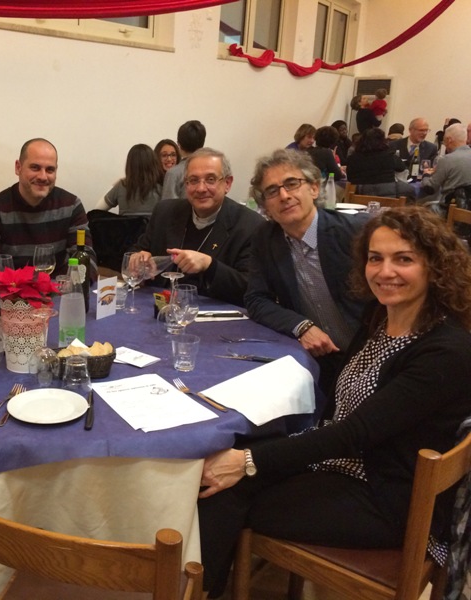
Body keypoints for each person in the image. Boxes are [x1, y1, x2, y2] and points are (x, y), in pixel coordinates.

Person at [198, 207, 471, 598]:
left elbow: (355, 432)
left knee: (225, 494)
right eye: (375, 258)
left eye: (403, 259)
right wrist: (252, 456)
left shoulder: (446, 352)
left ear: (435, 266)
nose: (385, 271)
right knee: (227, 459)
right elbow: (340, 416)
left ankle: (196, 589)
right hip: (349, 464)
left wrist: (248, 461)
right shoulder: (382, 316)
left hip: (390, 498)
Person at [244, 149, 368, 395]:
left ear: (313, 188)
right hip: (320, 362)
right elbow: (256, 299)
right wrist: (301, 326)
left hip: (371, 357)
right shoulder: (265, 239)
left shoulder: (355, 232)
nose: (284, 196)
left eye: (292, 184)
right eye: (272, 191)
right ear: (265, 207)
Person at [132, 148, 265, 306]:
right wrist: (138, 259)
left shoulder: (250, 225)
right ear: (186, 184)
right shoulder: (165, 212)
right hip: (157, 309)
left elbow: (251, 289)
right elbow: (138, 251)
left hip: (214, 314)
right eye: (194, 180)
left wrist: (210, 265)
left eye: (210, 179)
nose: (201, 188)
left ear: (227, 183)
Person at [0, 138, 95, 286]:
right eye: (35, 168)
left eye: (50, 170)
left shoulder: (71, 206)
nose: (43, 176)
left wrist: (59, 288)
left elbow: (87, 262)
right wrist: (30, 290)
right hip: (11, 297)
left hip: (60, 295)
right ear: (18, 167)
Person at [94, 143, 164, 217]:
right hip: (153, 225)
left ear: (130, 164)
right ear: (153, 163)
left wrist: (114, 185)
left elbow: (97, 210)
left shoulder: (121, 186)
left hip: (125, 225)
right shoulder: (162, 188)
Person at [345, 127, 411, 196]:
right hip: (387, 197)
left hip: (358, 196)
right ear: (383, 141)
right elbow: (402, 168)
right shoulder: (390, 157)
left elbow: (350, 178)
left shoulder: (352, 159)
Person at [421, 123, 471, 209]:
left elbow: (430, 189)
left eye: (444, 141)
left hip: (450, 208)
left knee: (421, 207)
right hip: (467, 210)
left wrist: (426, 175)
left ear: (449, 140)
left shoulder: (446, 160)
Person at [161, 120, 207, 201]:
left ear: (179, 145)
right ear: (202, 144)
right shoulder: (213, 169)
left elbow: (168, 205)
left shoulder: (174, 173)